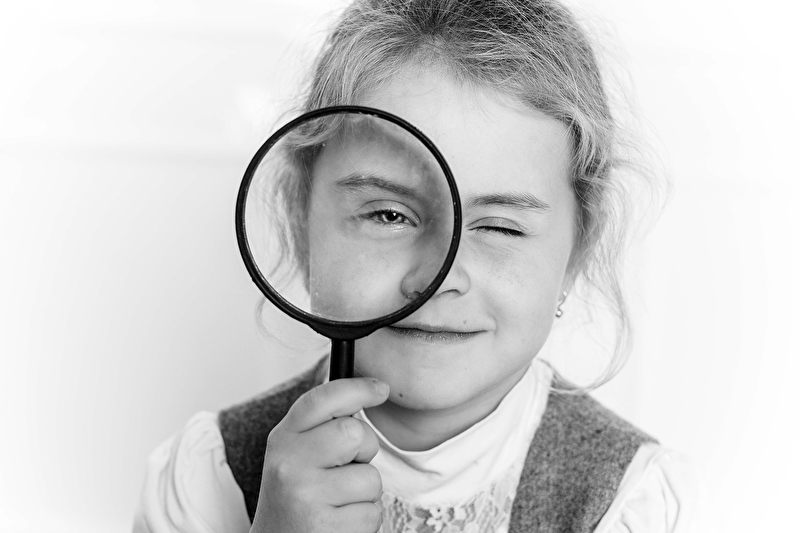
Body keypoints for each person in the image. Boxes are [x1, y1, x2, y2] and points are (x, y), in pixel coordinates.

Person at [135, 1, 717, 531]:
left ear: (577, 253)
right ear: (298, 221)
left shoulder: (634, 502)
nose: (440, 280)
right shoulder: (205, 479)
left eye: (500, 227)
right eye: (389, 215)